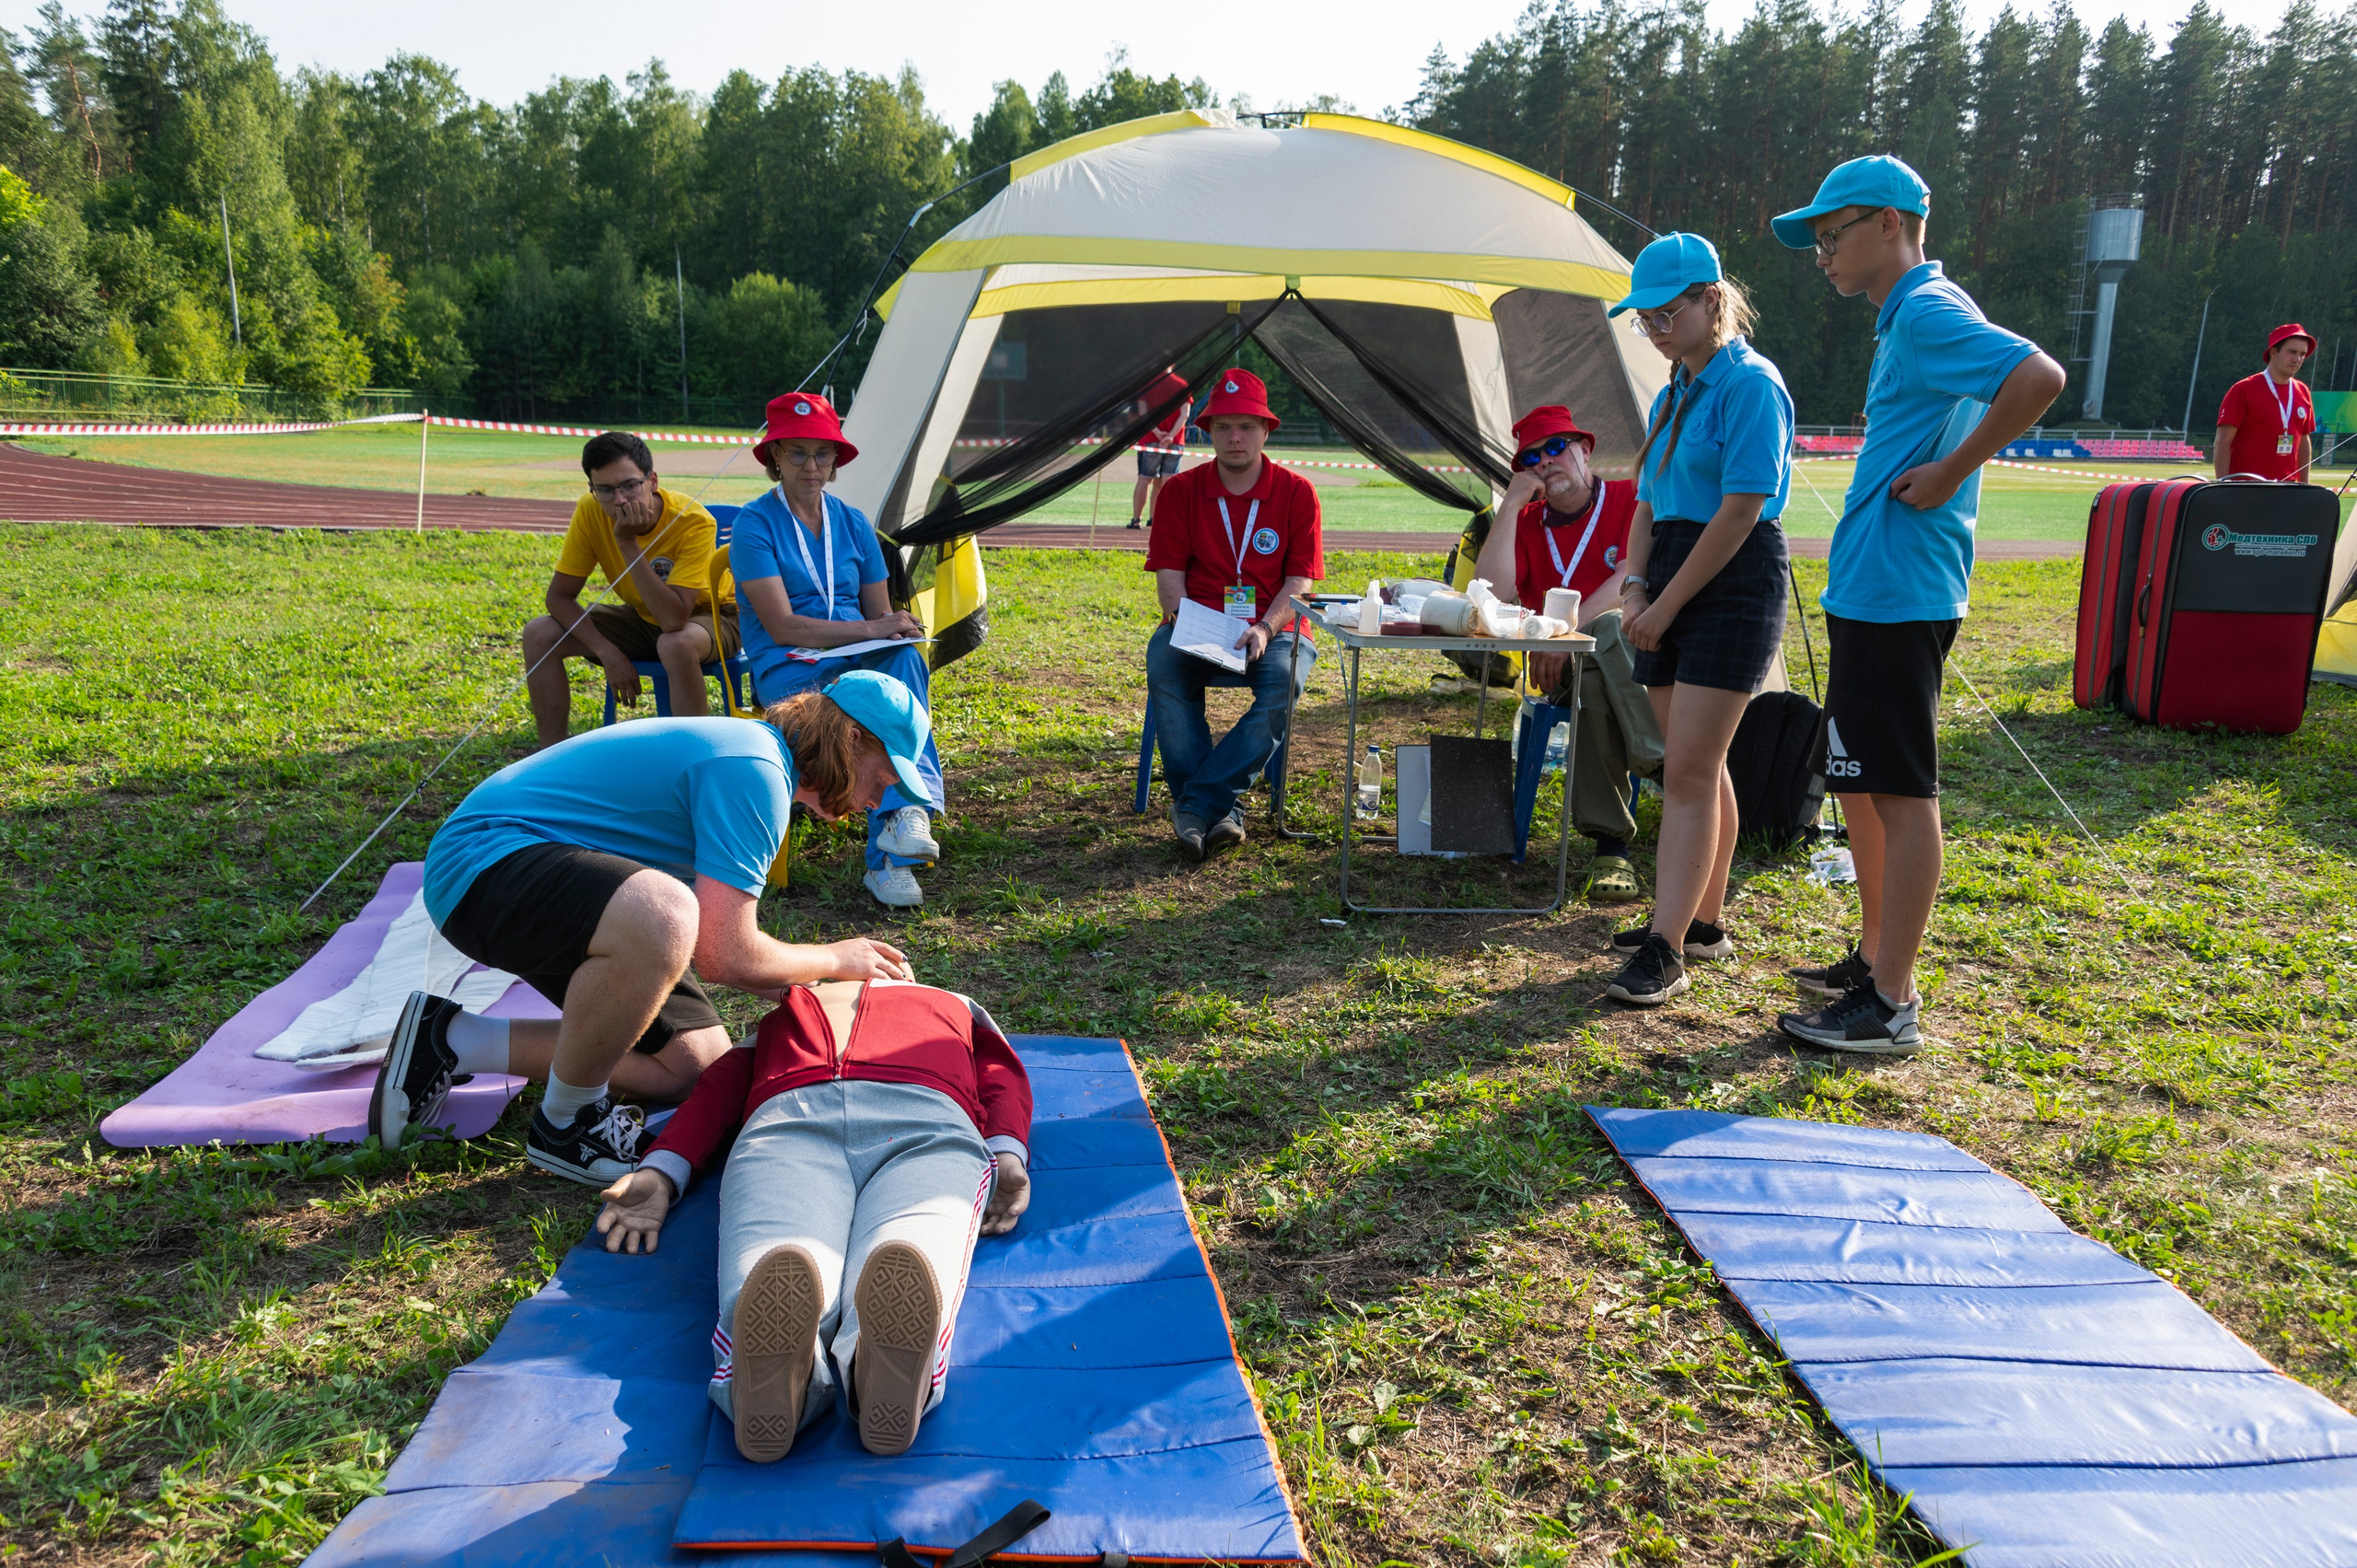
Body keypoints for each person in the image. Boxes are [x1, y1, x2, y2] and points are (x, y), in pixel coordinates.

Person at [368, 670, 934, 1186]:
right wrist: (836, 960)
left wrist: (821, 993)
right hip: (482, 869)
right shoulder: (754, 770)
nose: (877, 801)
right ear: (852, 739)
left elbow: (726, 950)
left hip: (535, 884)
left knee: (692, 1067)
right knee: (665, 914)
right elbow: (723, 954)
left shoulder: (760, 763)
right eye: (882, 779)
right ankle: (568, 1123)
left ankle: (452, 1040)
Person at [1769, 155, 2066, 1054]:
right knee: (1859, 784)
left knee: (1900, 793)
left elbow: (2038, 376)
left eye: (1832, 233)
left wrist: (1951, 469)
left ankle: (1889, 1002)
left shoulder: (1930, 311)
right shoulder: (1903, 319)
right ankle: (1873, 957)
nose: (1820, 252)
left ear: (1890, 224)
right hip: (1873, 588)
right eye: (1815, 239)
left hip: (1902, 593)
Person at [593, 978, 1032, 1462]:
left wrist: (1007, 1148)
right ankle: (779, 1381)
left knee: (916, 1248)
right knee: (779, 1258)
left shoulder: (954, 1004)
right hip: (790, 1122)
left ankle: (877, 1364)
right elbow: (717, 1091)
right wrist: (663, 1169)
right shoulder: (785, 1013)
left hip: (923, 1118)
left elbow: (1000, 1075)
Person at [1598, 235, 1795, 1007]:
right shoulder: (1673, 389)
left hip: (1732, 576)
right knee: (1698, 765)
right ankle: (1702, 921)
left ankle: (1666, 944)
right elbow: (1647, 501)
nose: (1654, 330)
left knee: (1683, 770)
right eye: (1643, 319)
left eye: (1666, 313)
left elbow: (1742, 511)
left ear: (1713, 299)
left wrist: (1670, 600)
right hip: (1675, 568)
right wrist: (1636, 585)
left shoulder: (1751, 385)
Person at [730, 391, 946, 911]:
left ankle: (897, 828)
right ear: (775, 456)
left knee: (903, 658)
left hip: (854, 658)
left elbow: (879, 621)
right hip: (789, 668)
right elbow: (783, 627)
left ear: (835, 462)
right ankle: (899, 835)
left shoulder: (853, 522)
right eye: (798, 453)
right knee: (869, 698)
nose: (811, 465)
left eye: (822, 454)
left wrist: (893, 629)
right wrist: (874, 626)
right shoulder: (753, 525)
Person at [1470, 404, 1663, 902]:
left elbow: (1629, 580)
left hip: (1624, 657)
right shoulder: (1527, 522)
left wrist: (1564, 637)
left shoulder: (1627, 498)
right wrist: (1510, 506)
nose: (1546, 462)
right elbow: (1489, 591)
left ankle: (1610, 848)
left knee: (1609, 643)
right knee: (1601, 652)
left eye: (1556, 447)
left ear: (1585, 449)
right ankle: (1661, 761)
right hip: (1557, 670)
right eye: (1530, 458)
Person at [1143, 367, 1324, 860]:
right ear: (1208, 432)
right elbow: (1169, 582)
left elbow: (1299, 582)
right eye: (1223, 426)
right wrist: (1190, 625)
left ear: (1266, 431)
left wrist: (1266, 627)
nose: (1235, 436)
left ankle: (1197, 806)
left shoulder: (1297, 492)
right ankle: (1222, 812)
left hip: (1275, 626)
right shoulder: (1180, 492)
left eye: (1246, 425)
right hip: (1196, 622)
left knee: (1284, 680)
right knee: (1164, 667)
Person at [522, 431, 738, 750]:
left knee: (675, 644)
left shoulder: (695, 522)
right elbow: (559, 596)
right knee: (539, 633)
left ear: (652, 480)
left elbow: (673, 620)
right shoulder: (590, 510)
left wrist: (627, 542)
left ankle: (689, 758)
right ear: (592, 488)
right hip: (644, 616)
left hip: (713, 616)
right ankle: (549, 755)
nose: (619, 500)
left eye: (629, 485)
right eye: (605, 490)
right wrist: (607, 651)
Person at [2214, 324, 2316, 483]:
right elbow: (2223, 441)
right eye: (2292, 352)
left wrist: (2304, 485)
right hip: (2245, 487)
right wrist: (2222, 485)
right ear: (2273, 352)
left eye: (2302, 354)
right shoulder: (2243, 389)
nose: (2297, 359)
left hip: (2287, 488)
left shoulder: (2302, 391)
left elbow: (2304, 441)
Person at [1131, 366, 1193, 530]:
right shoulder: (1182, 385)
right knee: (1168, 481)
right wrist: (1170, 435)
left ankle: (1136, 519)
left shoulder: (1148, 386)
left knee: (1145, 478)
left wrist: (1158, 434)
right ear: (1173, 365)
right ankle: (1160, 519)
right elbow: (1185, 414)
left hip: (1152, 439)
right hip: (1175, 441)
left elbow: (1144, 414)